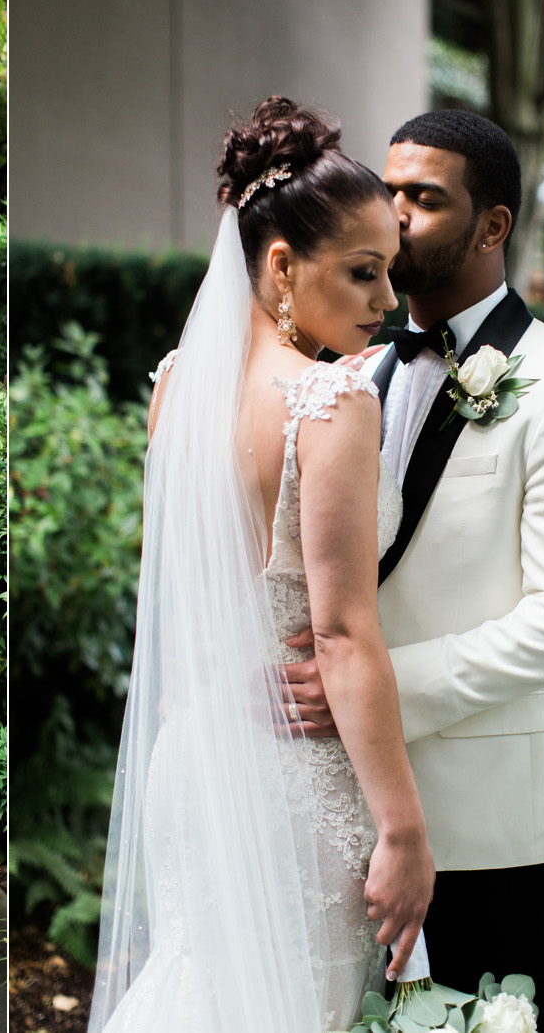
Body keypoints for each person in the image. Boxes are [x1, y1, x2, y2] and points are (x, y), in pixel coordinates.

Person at [285, 109, 544, 1033]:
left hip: (513, 829)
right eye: (388, 191)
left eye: (424, 199)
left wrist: (369, 688)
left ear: (492, 226)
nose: (395, 215)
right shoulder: (348, 375)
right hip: (372, 816)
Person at [87, 97, 434, 1033]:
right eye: (364, 274)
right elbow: (342, 632)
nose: (386, 303)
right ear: (281, 264)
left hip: (195, 756)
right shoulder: (332, 399)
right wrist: (403, 832)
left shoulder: (174, 386)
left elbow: (174, 587)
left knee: (200, 985)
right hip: (297, 779)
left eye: (390, 274)